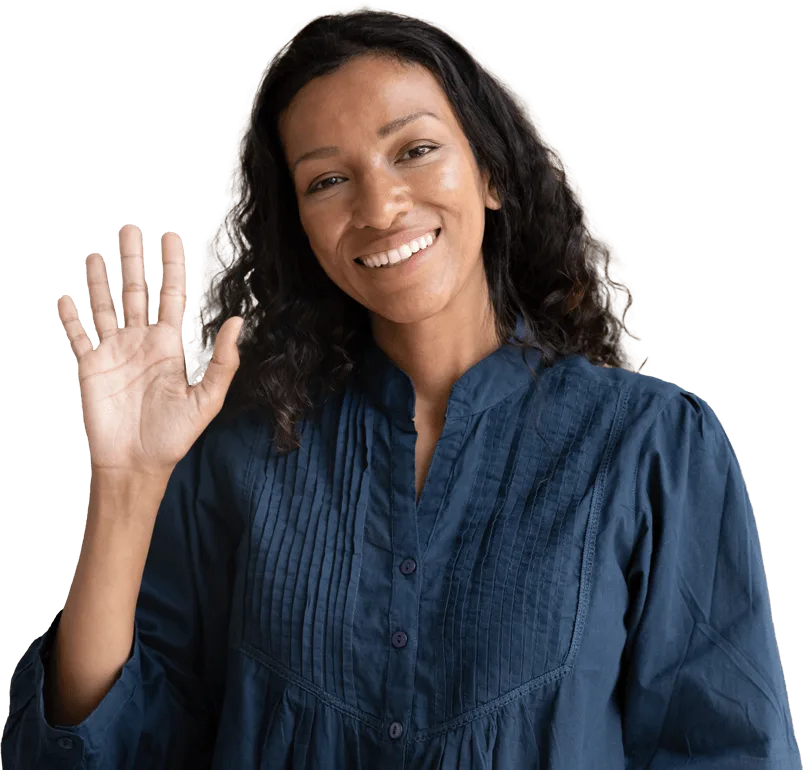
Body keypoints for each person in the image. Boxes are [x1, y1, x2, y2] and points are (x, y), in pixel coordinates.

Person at [2, 5, 800, 769]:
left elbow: (726, 751)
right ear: (302, 228)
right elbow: (101, 747)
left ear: (489, 172)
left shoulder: (652, 447)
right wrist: (129, 484)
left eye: (413, 150)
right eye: (326, 181)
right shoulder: (236, 451)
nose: (380, 207)